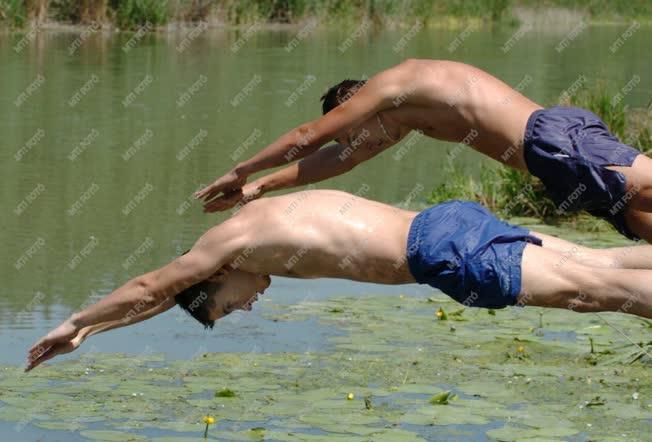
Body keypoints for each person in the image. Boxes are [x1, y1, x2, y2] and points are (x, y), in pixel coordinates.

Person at [26, 190, 652, 371]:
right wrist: (102, 331)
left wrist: (80, 323)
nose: (248, 308)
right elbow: (163, 297)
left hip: (438, 251)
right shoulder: (252, 228)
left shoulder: (229, 244)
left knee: (595, 293)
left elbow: (152, 287)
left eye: (229, 308)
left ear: (217, 277)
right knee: (597, 266)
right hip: (444, 222)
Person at [194, 59, 652, 241]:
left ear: (355, 108)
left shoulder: (397, 86)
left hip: (552, 141)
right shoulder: (401, 118)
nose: (354, 148)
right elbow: (335, 159)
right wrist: (257, 189)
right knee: (641, 224)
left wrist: (240, 170)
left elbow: (306, 136)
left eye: (349, 131)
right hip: (553, 162)